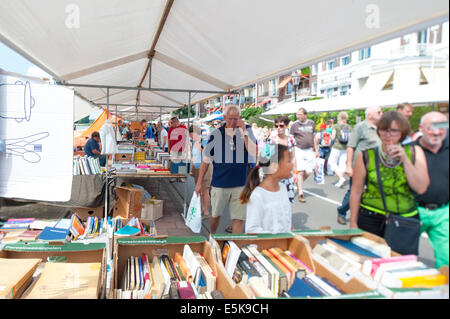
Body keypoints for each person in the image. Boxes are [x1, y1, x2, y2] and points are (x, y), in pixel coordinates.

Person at [349, 111, 429, 254]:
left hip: (403, 219)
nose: (388, 135)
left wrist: (405, 159)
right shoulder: (366, 155)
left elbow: (421, 188)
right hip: (370, 217)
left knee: (400, 263)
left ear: (402, 132)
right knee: (368, 261)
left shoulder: (414, 152)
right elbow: (356, 190)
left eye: (394, 131)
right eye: (384, 130)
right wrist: (353, 222)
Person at [195, 105, 257, 234]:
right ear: (224, 118)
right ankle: (212, 236)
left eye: (236, 119)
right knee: (215, 216)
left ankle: (235, 249)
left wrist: (244, 132)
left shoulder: (247, 130)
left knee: (238, 219)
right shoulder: (216, 134)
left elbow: (253, 153)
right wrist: (199, 182)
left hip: (240, 183)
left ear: (240, 118)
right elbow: (206, 161)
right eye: (230, 119)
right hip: (220, 183)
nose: (233, 122)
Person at [337, 106, 383, 225]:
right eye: (379, 112)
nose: (382, 113)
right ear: (370, 114)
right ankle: (342, 211)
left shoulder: (380, 128)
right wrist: (349, 166)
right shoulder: (360, 127)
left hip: (375, 167)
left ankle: (365, 215)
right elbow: (351, 147)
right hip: (360, 166)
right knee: (355, 191)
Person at [414, 112, 449, 268]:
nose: (436, 132)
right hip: (414, 211)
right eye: (431, 128)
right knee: (403, 255)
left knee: (446, 258)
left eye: (441, 127)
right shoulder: (411, 150)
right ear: (421, 128)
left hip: (443, 212)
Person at [240, 144, 293, 233]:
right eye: (289, 161)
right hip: (266, 247)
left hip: (284, 246)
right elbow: (251, 230)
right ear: (274, 166)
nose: (292, 165)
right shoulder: (258, 196)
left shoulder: (283, 188)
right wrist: (277, 238)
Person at [290, 107, 319, 203]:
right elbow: (291, 138)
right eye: (297, 114)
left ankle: (299, 185)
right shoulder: (294, 125)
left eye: (300, 114)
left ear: (305, 115)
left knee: (309, 171)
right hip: (299, 149)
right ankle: (300, 193)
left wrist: (317, 150)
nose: (298, 116)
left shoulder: (311, 123)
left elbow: (314, 137)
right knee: (300, 171)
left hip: (309, 149)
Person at [267, 116, 298, 203]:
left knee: (288, 200)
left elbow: (293, 157)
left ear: (286, 126)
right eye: (276, 126)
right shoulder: (271, 140)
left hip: (288, 174)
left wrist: (295, 172)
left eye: (281, 126)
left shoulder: (291, 140)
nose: (279, 128)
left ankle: (287, 216)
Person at [189, 125, 213, 220]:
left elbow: (206, 156)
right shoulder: (194, 142)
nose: (190, 136)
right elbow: (194, 157)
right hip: (197, 168)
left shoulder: (203, 141)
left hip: (206, 168)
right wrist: (192, 169)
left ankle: (206, 211)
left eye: (191, 134)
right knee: (200, 191)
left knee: (205, 190)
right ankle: (203, 209)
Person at [329, 111, 351, 188]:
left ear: (339, 118)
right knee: (342, 164)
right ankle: (340, 181)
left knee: (331, 162)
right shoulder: (348, 126)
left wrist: (329, 136)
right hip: (345, 147)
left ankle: (341, 178)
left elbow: (333, 137)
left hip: (337, 146)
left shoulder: (336, 126)